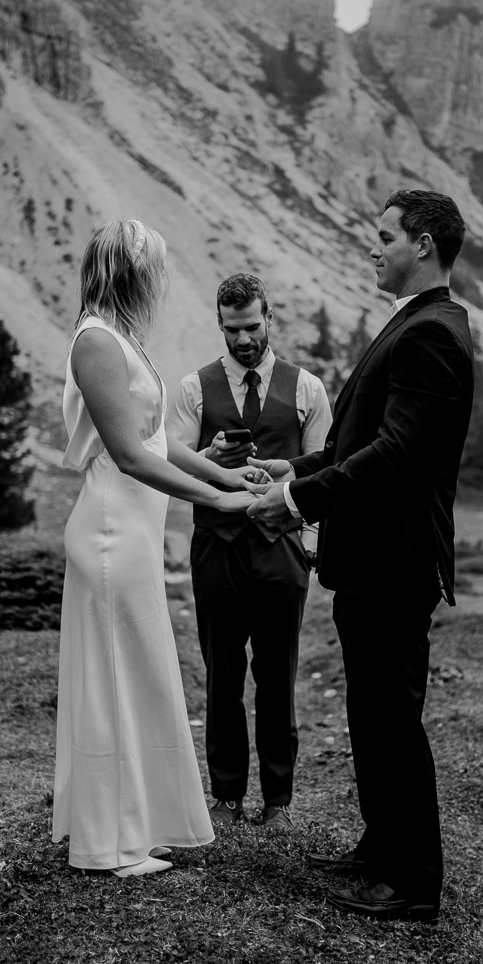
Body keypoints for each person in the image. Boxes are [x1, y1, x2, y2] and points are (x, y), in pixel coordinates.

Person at [248, 190, 474, 920]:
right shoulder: (415, 321)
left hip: (397, 560)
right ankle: (381, 849)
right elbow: (360, 441)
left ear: (426, 245)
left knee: (393, 718)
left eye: (384, 237)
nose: (372, 248)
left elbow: (402, 454)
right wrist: (299, 471)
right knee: (371, 714)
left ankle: (414, 885)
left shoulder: (435, 332)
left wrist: (295, 504)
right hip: (372, 557)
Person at [52, 220, 266, 878]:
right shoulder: (95, 342)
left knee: (138, 676)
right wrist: (217, 502)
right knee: (117, 678)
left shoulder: (123, 339)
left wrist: (221, 473)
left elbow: (154, 439)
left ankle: (134, 827)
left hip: (136, 533)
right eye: (157, 268)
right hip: (112, 531)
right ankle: (110, 846)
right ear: (130, 273)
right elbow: (126, 455)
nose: (164, 280)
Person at [168, 274, 332, 829]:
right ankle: (227, 794)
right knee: (221, 674)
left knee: (278, 674)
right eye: (233, 329)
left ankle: (279, 801)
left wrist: (310, 549)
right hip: (216, 547)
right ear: (220, 323)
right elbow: (172, 461)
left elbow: (323, 473)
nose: (244, 339)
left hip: (282, 550)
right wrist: (208, 451)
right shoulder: (193, 388)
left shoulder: (307, 388)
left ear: (269, 319)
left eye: (253, 326)